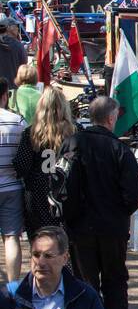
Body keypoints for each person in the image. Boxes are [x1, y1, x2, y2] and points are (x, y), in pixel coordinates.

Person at [58, 95, 138, 309]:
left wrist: (69, 216)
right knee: (115, 280)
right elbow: (134, 191)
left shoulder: (72, 144)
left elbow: (59, 183)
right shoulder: (120, 150)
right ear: (111, 118)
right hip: (111, 227)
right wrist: (120, 213)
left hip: (82, 227)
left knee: (87, 283)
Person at [14, 86, 74, 242]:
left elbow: (22, 165)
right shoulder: (75, 132)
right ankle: (64, 265)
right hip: (65, 192)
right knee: (63, 240)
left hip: (38, 193)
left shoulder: (31, 133)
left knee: (40, 239)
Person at [0, 80, 24, 282]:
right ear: (5, 96)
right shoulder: (17, 122)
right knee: (11, 237)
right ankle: (13, 285)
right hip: (12, 186)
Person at [0, 18, 24, 88]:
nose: (17, 28)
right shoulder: (18, 46)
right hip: (12, 88)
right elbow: (23, 67)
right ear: (8, 28)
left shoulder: (18, 45)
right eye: (16, 26)